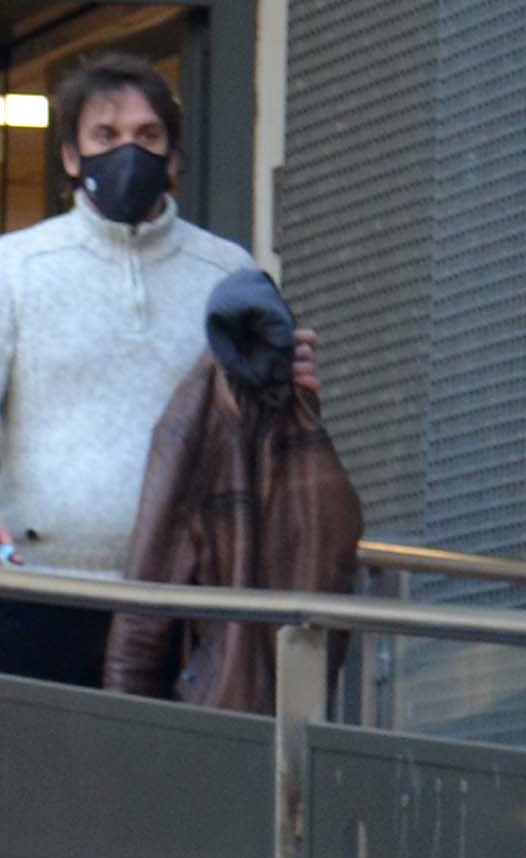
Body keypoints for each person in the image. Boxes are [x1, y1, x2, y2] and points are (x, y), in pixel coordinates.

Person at [0, 52, 285, 689]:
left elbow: (260, 428)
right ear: (69, 156)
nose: (128, 152)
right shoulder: (15, 266)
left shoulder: (228, 273)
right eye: (105, 136)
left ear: (172, 158)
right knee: (18, 786)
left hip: (185, 603)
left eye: (148, 136)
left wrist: (290, 384)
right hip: (36, 597)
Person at [99, 267, 355, 716]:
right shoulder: (199, 424)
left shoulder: (283, 423)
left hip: (243, 695)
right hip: (263, 696)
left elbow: (148, 591)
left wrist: (124, 708)